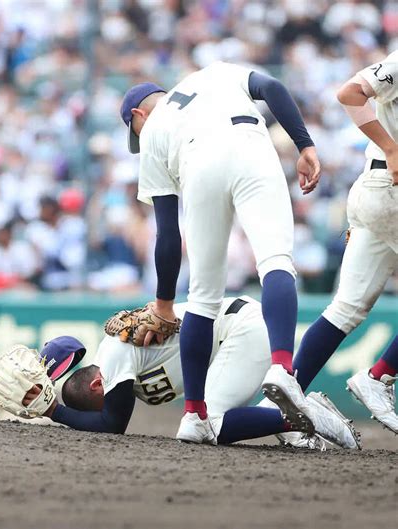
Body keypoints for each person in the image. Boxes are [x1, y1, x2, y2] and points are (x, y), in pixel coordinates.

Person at [119, 61, 321, 443]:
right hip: (249, 147)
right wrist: (304, 145)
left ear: (137, 115)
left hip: (197, 166)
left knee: (203, 298)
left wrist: (163, 303)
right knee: (275, 262)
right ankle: (281, 367)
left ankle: (193, 415)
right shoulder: (212, 73)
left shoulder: (154, 134)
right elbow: (273, 87)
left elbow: (166, 234)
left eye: (134, 130)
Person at [0, 296, 359, 449]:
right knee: (204, 419)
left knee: (206, 424)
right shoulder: (116, 361)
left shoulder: (115, 354)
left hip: (244, 329)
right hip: (236, 337)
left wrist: (55, 412)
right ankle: (293, 416)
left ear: (98, 382)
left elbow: (112, 424)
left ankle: (305, 418)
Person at [292, 51, 398, 434]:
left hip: (375, 192)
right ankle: (378, 376)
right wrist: (391, 147)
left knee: (346, 309)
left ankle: (290, 397)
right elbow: (350, 93)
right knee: (345, 307)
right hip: (390, 187)